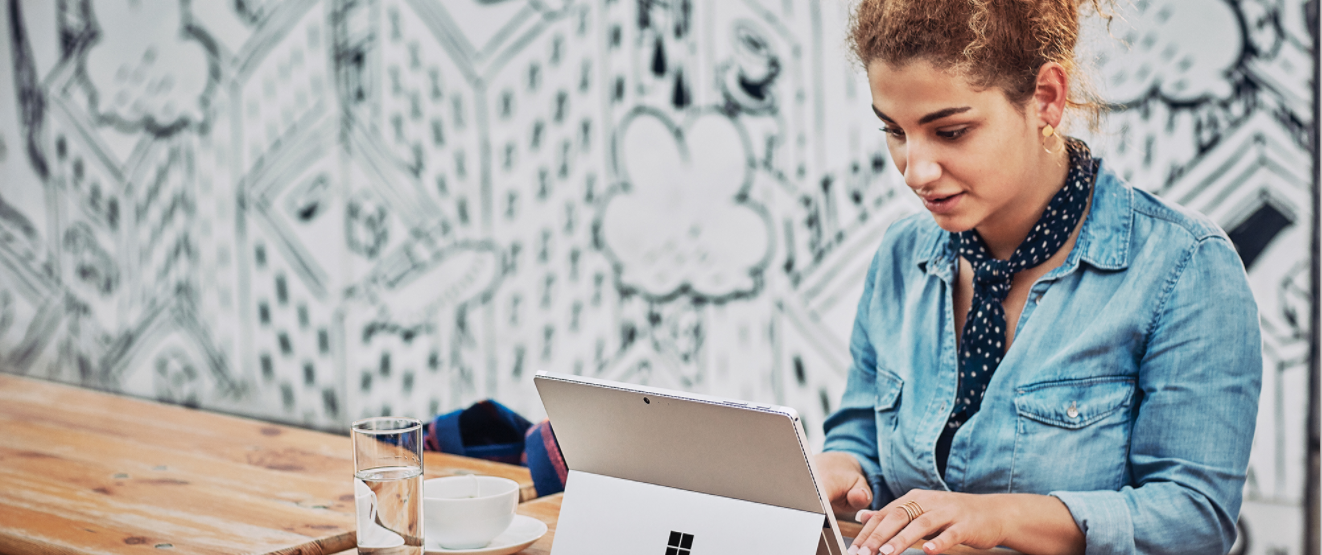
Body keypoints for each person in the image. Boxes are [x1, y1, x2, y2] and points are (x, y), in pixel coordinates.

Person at [814, 1, 1262, 554]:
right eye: (895, 130)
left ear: (1046, 97)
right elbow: (862, 426)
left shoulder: (1184, 266)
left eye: (950, 132)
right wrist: (844, 464)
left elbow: (1194, 518)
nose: (915, 171)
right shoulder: (900, 255)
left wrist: (999, 519)